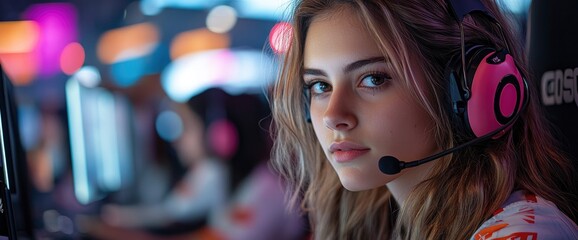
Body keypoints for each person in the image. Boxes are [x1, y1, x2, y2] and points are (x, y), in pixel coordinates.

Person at [269, 0, 578, 239]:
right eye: (320, 86)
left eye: (373, 79)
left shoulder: (525, 230)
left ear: (464, 89)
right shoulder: (384, 223)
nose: (333, 117)